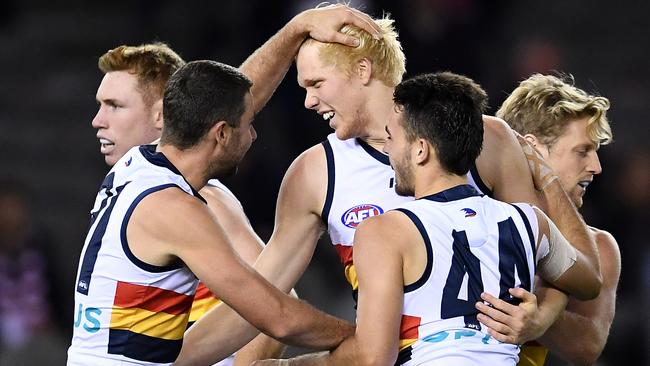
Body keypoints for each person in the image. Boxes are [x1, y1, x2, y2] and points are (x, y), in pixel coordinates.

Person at [175, 9, 598, 365]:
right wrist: (168, 359)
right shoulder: (315, 173)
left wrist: (541, 318)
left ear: (363, 69)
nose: (307, 102)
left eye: (316, 84)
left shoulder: (486, 139)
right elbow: (256, 301)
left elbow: (545, 261)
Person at [87, 5, 382, 365]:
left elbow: (225, 99)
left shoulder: (132, 169)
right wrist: (367, 339)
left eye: (114, 106)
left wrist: (295, 30)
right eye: (248, 125)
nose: (255, 135)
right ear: (221, 133)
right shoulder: (175, 206)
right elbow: (277, 315)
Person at [253, 71, 602, 365]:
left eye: (392, 138)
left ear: (421, 150)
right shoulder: (529, 222)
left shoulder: (385, 231)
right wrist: (542, 315)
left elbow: (374, 358)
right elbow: (587, 280)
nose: (388, 150)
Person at [487, 73, 620, 366]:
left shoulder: (599, 246)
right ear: (533, 149)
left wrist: (540, 315)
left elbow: (588, 344)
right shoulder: (469, 217)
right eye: (582, 151)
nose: (596, 167)